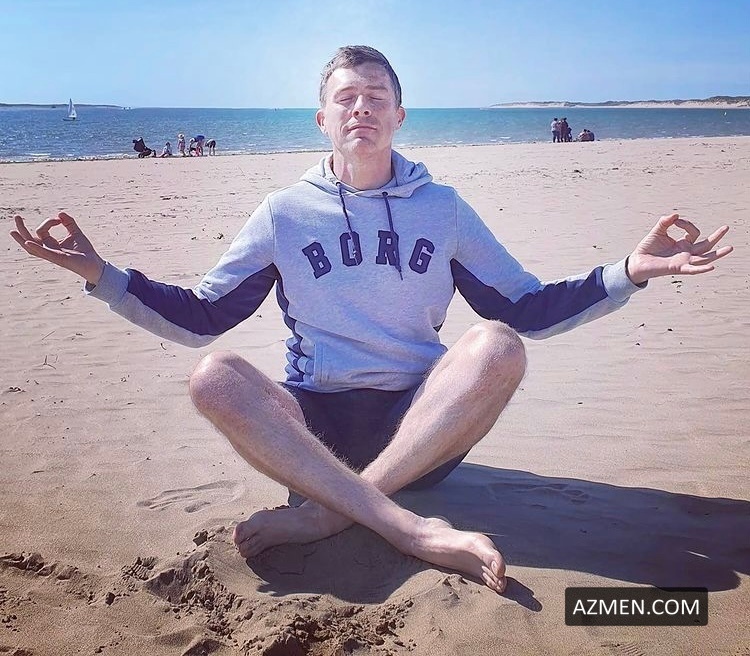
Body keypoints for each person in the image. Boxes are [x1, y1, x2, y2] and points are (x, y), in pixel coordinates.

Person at [9, 45, 733, 595]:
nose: (361, 108)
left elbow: (524, 308)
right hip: (312, 432)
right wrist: (102, 275)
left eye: (376, 97)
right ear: (322, 119)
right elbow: (205, 317)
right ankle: (406, 526)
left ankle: (330, 514)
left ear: (399, 115)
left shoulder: (443, 209)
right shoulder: (284, 214)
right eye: (346, 98)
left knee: (498, 344)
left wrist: (629, 271)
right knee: (213, 375)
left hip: (421, 428)